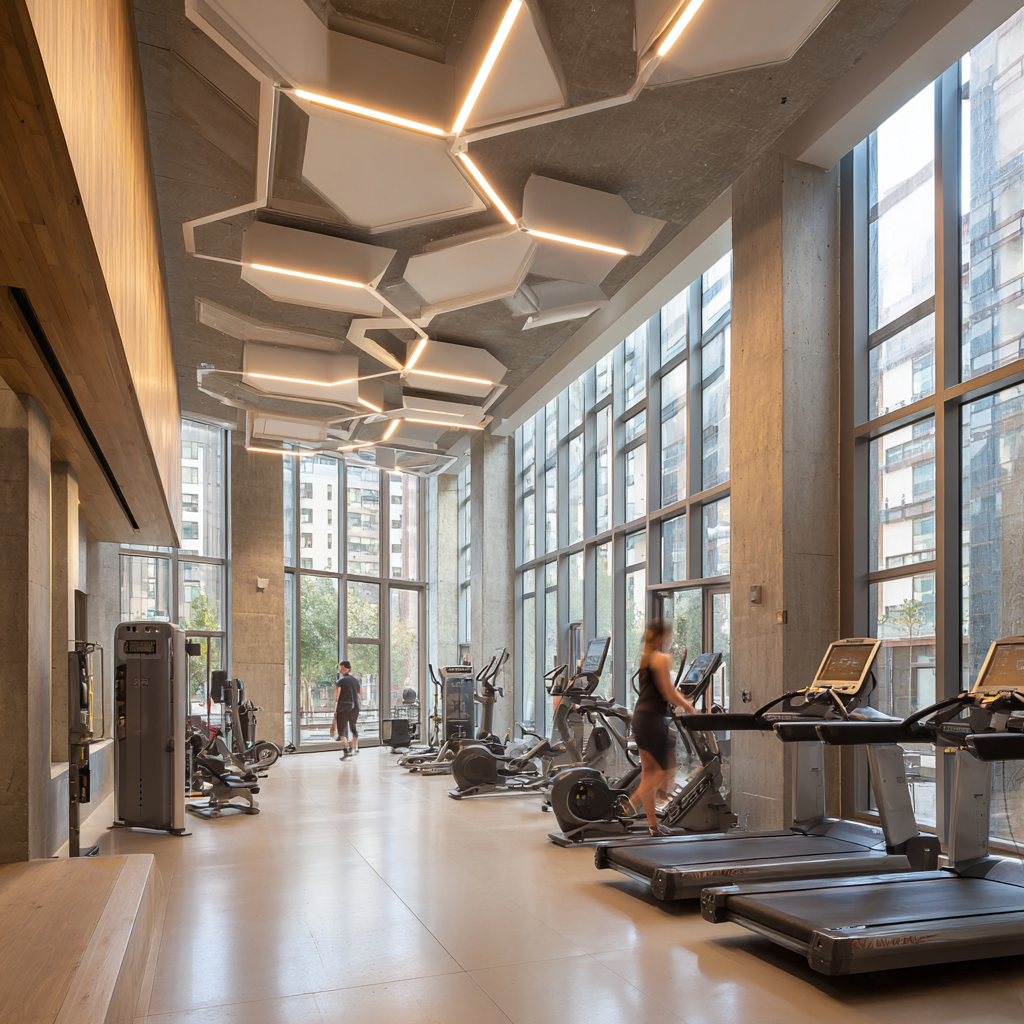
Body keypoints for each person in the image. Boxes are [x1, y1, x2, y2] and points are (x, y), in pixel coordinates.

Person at [631, 619, 696, 836]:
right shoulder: (661, 658)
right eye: (668, 635)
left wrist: (683, 700)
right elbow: (668, 692)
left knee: (649, 773)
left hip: (640, 717)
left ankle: (653, 826)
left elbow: (664, 689)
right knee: (666, 772)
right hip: (652, 719)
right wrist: (689, 706)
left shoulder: (646, 658)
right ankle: (628, 805)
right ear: (661, 637)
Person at [333, 660, 362, 759]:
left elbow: (337, 697)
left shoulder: (341, 681)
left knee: (341, 730)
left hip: (343, 708)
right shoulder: (355, 680)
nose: (339, 669)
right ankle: (355, 747)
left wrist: (335, 708)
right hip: (355, 708)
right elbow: (360, 693)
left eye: (340, 667)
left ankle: (346, 749)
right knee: (353, 726)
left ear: (345, 668)